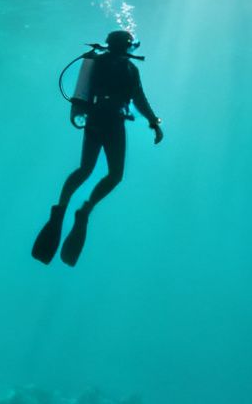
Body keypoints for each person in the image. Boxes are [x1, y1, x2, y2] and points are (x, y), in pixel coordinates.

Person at [33, 29, 163, 266]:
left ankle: (61, 207)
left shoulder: (96, 62)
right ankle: (86, 208)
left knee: (85, 169)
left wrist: (77, 111)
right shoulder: (130, 69)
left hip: (94, 119)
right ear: (128, 47)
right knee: (114, 175)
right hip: (113, 122)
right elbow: (139, 100)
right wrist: (154, 123)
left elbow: (83, 93)